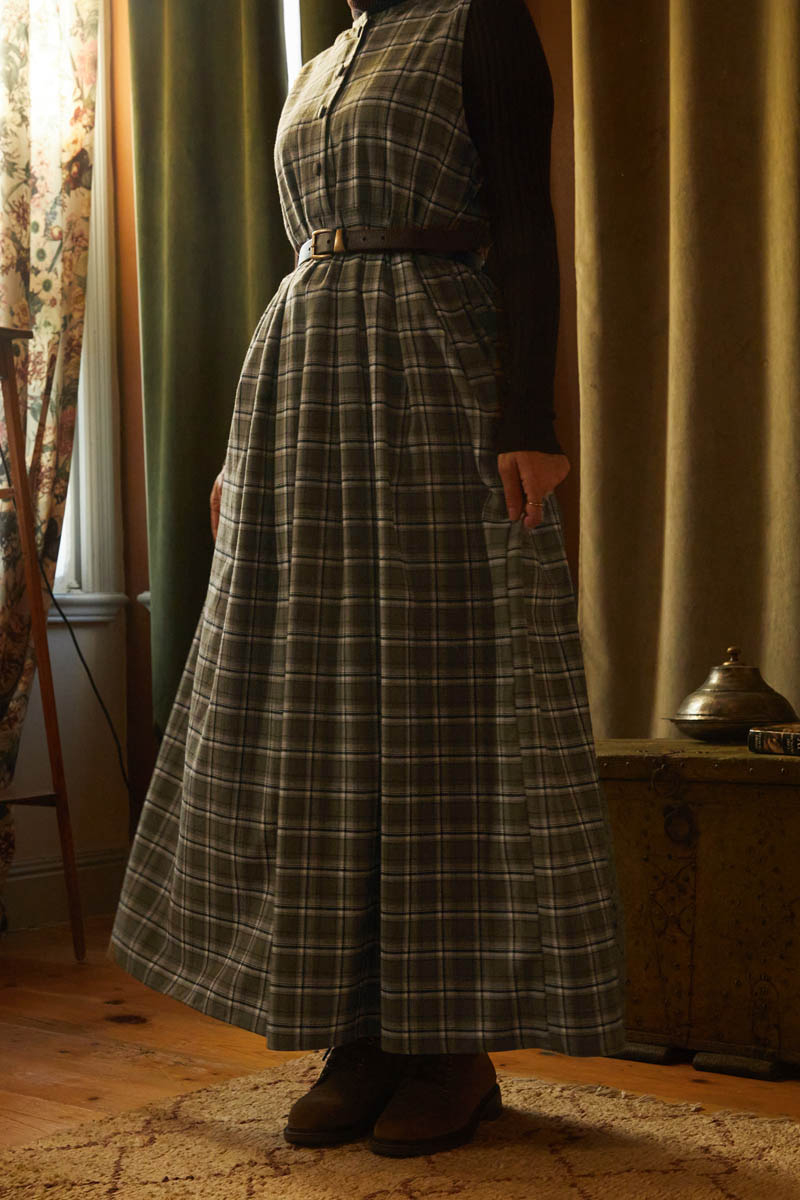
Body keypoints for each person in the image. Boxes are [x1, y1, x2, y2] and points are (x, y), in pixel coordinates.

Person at [110, 0, 627, 1160]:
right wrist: (241, 453)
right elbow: (305, 253)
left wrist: (528, 416)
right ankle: (359, 1034)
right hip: (302, 382)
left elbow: (524, 221)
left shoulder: (477, 22)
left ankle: (451, 1048)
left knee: (442, 703)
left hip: (435, 369)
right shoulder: (320, 60)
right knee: (319, 714)